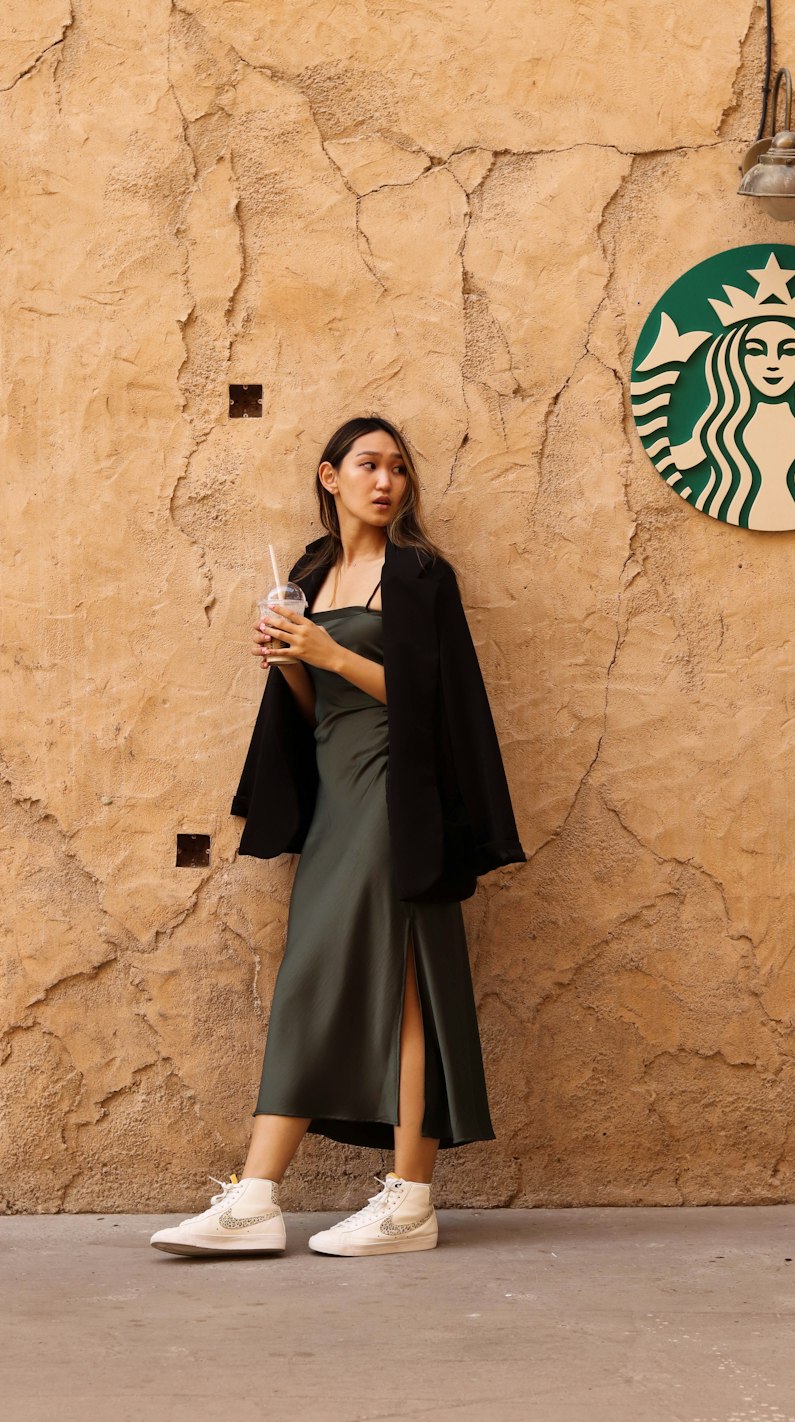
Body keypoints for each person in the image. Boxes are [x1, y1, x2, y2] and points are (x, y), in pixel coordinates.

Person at [150, 416, 526, 1259]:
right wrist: (289, 661)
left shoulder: (421, 575)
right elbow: (323, 718)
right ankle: (266, 1199)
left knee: (398, 992)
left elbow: (437, 706)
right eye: (368, 465)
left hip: (401, 800)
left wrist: (329, 649)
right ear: (330, 477)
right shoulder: (315, 574)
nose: (386, 481)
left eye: (398, 467)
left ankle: (395, 1200)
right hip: (337, 801)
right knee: (332, 986)